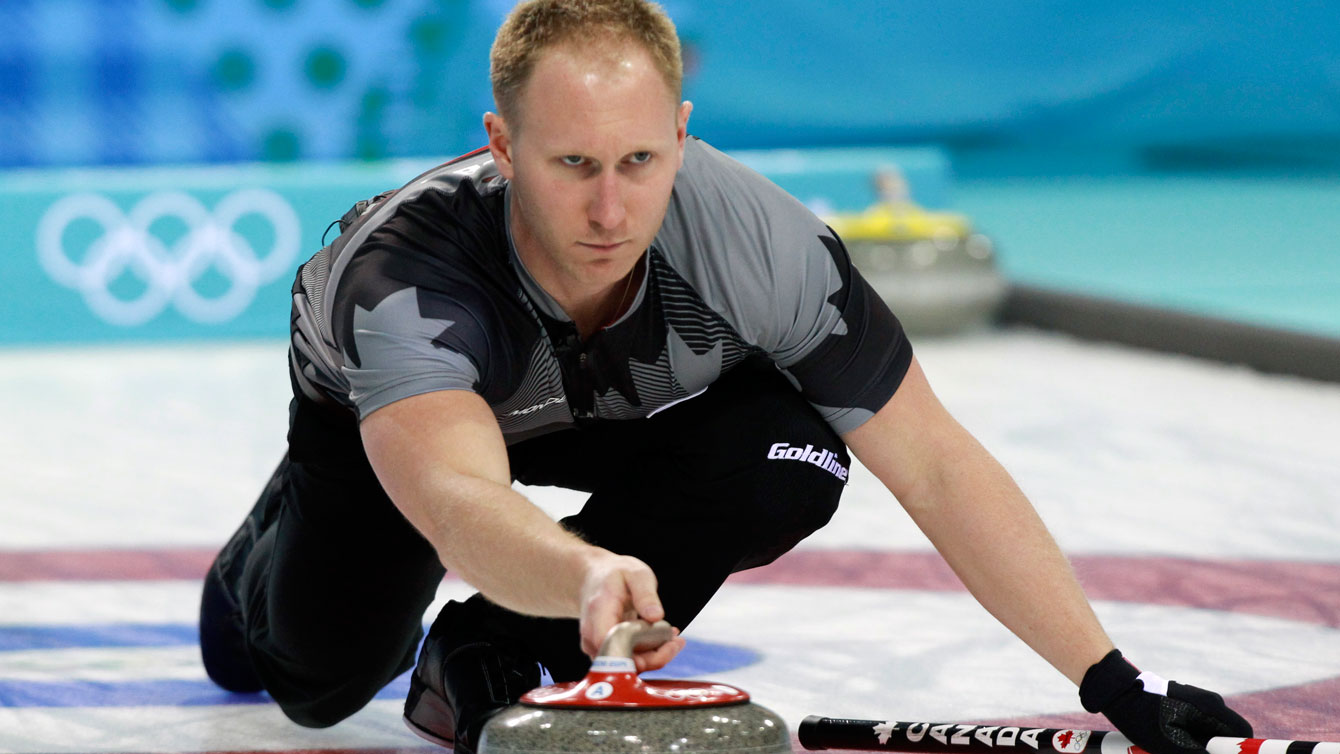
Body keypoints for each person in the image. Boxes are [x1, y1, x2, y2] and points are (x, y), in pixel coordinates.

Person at [198, 1, 1254, 752]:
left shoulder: (758, 241)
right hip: (416, 428)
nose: (609, 211)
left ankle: (490, 652)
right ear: (503, 146)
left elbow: (933, 462)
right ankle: (259, 558)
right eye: (571, 165)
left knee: (790, 456)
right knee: (319, 683)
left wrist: (1113, 681)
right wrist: (583, 573)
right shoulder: (405, 283)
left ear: (681, 134)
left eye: (639, 162)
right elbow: (457, 499)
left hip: (615, 407)